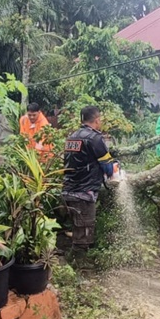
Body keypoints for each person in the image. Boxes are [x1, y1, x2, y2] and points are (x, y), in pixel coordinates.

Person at [61, 106, 115, 261]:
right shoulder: (95, 138)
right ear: (97, 119)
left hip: (68, 191)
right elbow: (108, 167)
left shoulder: (72, 137)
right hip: (84, 194)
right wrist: (113, 168)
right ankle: (79, 269)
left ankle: (71, 264)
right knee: (83, 235)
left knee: (76, 230)